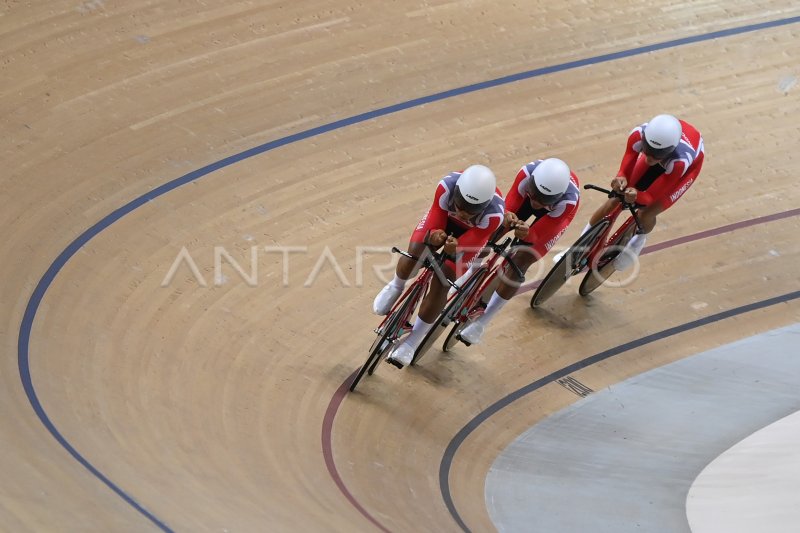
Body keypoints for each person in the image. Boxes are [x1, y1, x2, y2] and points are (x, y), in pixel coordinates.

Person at [372, 164, 505, 366]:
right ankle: (396, 285)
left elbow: (472, 242)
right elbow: (435, 217)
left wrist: (456, 248)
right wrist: (433, 236)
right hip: (443, 219)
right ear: (457, 192)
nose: (463, 212)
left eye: (471, 210)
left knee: (443, 280)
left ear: (484, 205)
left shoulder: (494, 216)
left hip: (469, 238)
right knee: (417, 252)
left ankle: (412, 343)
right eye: (461, 204)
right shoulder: (446, 186)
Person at [457, 158, 580, 345]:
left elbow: (538, 236)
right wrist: (507, 216)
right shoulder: (526, 174)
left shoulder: (568, 201)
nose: (537, 202)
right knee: (494, 230)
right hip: (523, 201)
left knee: (521, 261)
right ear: (532, 183)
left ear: (557, 196)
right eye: (536, 194)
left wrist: (528, 233)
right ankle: (469, 271)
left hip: (551, 218)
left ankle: (482, 323)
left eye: (544, 199)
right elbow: (508, 207)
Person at [574, 114, 704, 270]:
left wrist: (637, 196)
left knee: (646, 212)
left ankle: (635, 246)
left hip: (687, 169)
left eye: (657, 155)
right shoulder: (637, 135)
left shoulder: (680, 162)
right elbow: (625, 169)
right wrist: (621, 179)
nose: (650, 157)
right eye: (647, 150)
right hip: (666, 151)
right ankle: (576, 249)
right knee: (615, 199)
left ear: (669, 151)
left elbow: (650, 197)